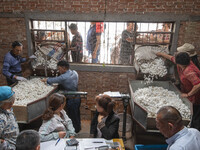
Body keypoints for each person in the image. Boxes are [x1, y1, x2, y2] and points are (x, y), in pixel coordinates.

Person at [156, 51, 200, 131]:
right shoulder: (184, 63)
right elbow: (171, 58)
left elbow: (198, 84)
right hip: (187, 89)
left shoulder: (189, 72)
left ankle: (194, 131)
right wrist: (161, 54)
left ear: (179, 63)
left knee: (195, 115)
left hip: (196, 97)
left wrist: (188, 94)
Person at [41, 60, 81, 133]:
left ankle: (74, 132)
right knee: (76, 114)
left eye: (59, 69)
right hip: (77, 97)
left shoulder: (63, 77)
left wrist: (45, 80)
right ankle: (77, 128)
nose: (59, 71)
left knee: (72, 116)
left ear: (64, 68)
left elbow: (52, 80)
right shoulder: (74, 72)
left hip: (71, 99)